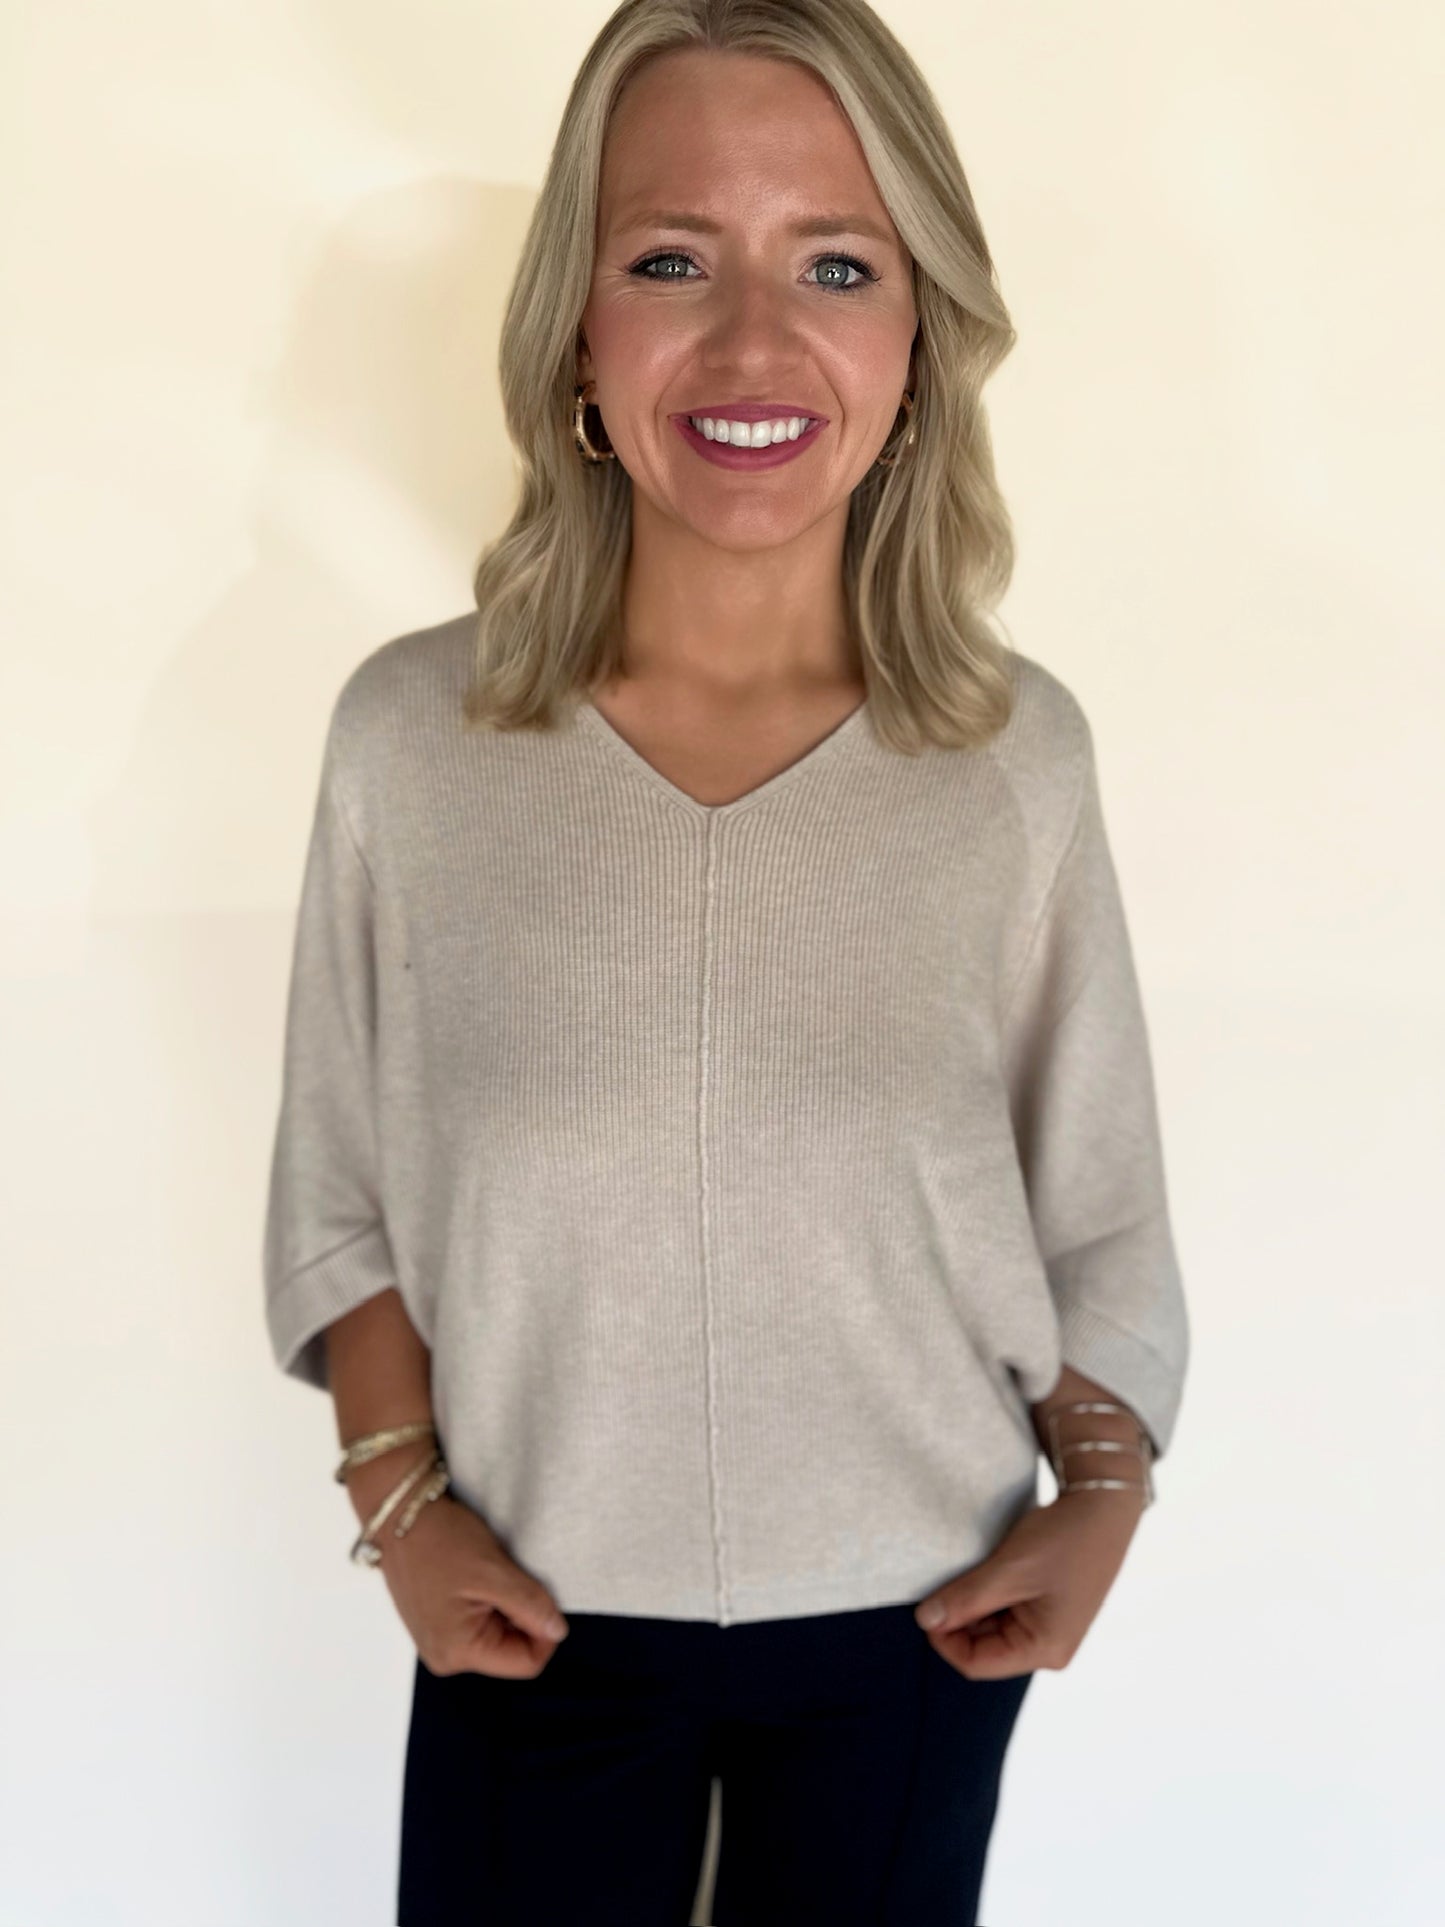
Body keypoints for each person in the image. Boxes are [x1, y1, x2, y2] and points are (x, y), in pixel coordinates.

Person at [261, 2, 1190, 1922]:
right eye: (670, 260)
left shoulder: (1012, 759)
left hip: (915, 1624)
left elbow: (1093, 1203)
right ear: (576, 335)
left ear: (917, 337)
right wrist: (397, 1506)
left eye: (835, 265)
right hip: (528, 1609)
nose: (754, 343)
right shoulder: (411, 741)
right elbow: (342, 1186)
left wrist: (1100, 1489)